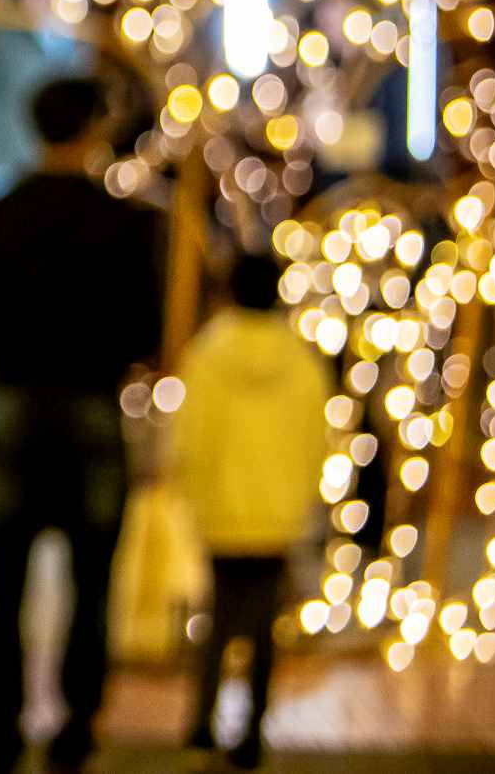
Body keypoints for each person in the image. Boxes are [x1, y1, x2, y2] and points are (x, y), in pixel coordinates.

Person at [0, 76, 165, 774]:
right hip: (93, 405)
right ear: (94, 128)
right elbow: (147, 329)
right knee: (93, 578)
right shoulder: (128, 223)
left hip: (14, 401)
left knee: (5, 578)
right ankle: (76, 727)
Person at [174, 251, 331, 770]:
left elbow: (191, 436)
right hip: (276, 513)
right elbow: (316, 440)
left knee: (217, 618)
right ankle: (252, 731)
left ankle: (200, 724)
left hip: (221, 508)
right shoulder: (303, 364)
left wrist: (193, 494)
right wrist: (300, 498)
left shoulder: (207, 356)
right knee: (264, 625)